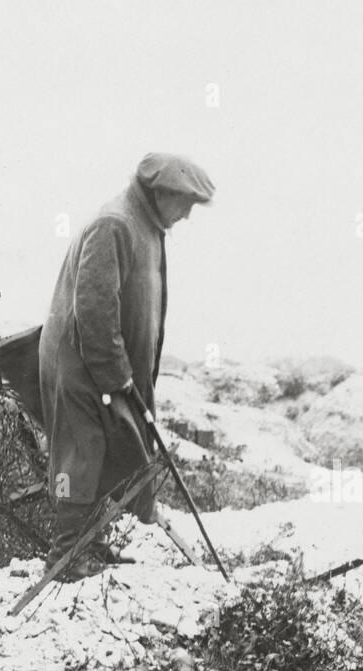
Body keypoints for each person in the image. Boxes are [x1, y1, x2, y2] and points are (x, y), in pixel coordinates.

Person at [38, 152, 215, 579]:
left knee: (110, 452)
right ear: (162, 193)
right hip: (81, 362)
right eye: (186, 203)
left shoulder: (148, 229)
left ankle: (90, 545)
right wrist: (117, 376)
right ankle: (64, 554)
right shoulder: (114, 224)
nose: (188, 215)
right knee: (81, 454)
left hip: (108, 366)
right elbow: (95, 310)